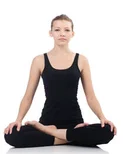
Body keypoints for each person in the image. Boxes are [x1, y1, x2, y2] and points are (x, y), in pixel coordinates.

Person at [3, 14, 116, 148]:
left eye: (67, 30)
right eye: (57, 30)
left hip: (75, 123)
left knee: (107, 131)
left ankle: (50, 133)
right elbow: (28, 96)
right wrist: (18, 120)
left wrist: (102, 118)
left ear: (72, 33)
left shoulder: (82, 60)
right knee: (11, 135)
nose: (62, 33)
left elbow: (90, 96)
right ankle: (71, 138)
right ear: (50, 33)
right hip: (48, 120)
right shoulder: (39, 60)